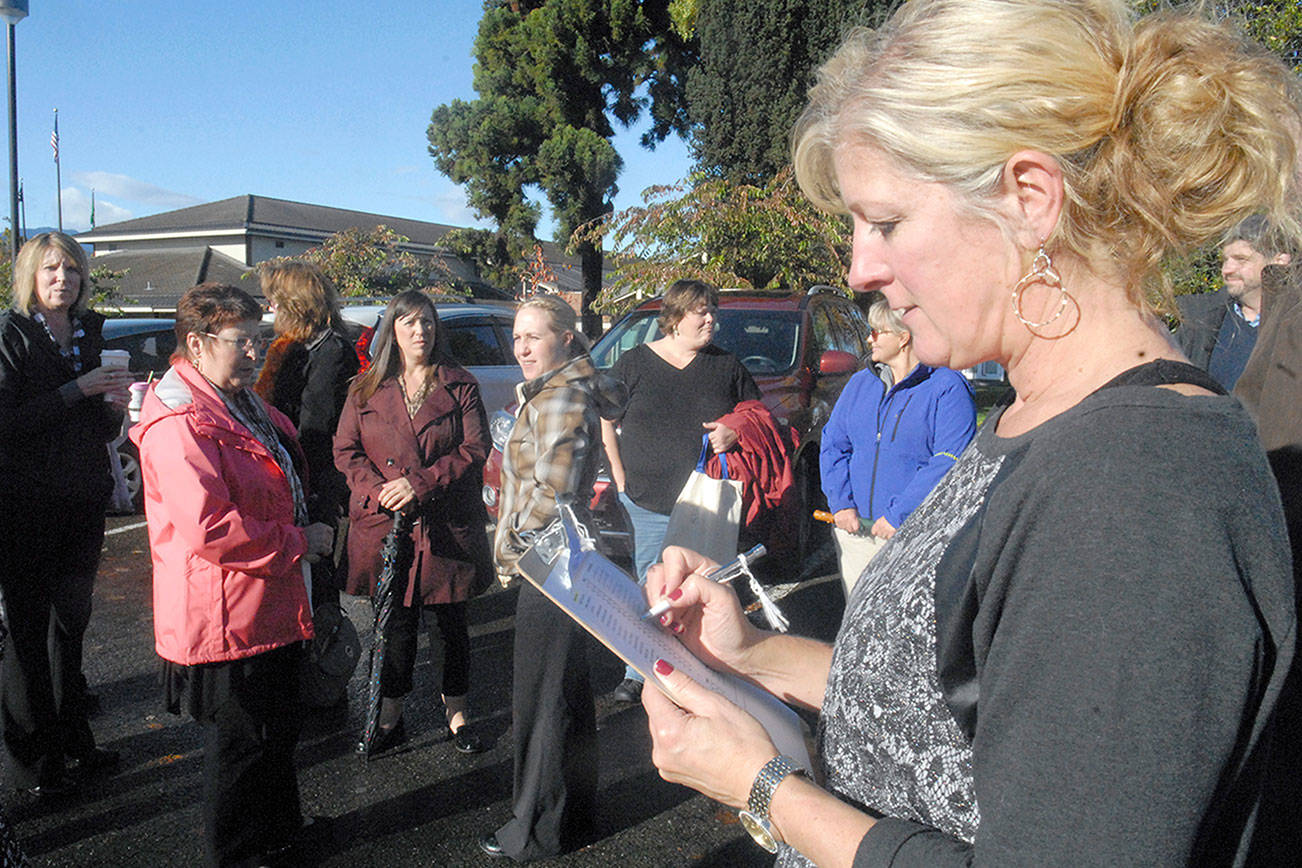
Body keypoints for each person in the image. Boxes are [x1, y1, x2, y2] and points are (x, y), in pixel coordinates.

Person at [638, 1, 1300, 864]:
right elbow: (948, 710)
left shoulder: (1135, 491)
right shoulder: (1031, 415)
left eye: (886, 221)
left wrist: (766, 790)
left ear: (1028, 199)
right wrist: (750, 652)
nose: (859, 268)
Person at [131, 283, 334, 866]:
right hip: (226, 613)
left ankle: (280, 834)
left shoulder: (237, 400)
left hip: (267, 598)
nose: (255, 351)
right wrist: (300, 541)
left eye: (258, 338)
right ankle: (240, 853)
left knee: (275, 734)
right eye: (241, 341)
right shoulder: (179, 419)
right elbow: (211, 526)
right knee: (241, 747)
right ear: (196, 344)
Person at [480, 294, 625, 862]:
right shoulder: (558, 388)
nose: (520, 348)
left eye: (532, 337)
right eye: (517, 338)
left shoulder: (562, 392)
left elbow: (556, 489)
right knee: (564, 693)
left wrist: (514, 544)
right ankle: (573, 815)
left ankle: (536, 830)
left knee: (542, 701)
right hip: (563, 563)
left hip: (548, 563)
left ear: (566, 338)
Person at [0, 232, 134, 798]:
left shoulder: (91, 332)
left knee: (70, 630)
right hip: (24, 506)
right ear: (31, 274)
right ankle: (35, 761)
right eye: (52, 269)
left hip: (81, 502)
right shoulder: (11, 335)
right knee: (28, 633)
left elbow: (100, 432)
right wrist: (77, 390)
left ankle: (75, 741)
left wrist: (112, 408)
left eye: (73, 270)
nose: (64, 279)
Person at [333, 290, 492, 755]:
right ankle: (390, 717)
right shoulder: (363, 388)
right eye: (409, 324)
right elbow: (346, 451)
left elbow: (474, 449)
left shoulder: (459, 383)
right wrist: (380, 489)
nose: (420, 331)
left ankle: (457, 714)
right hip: (387, 524)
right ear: (393, 333)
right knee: (395, 625)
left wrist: (419, 484)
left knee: (450, 626)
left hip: (444, 522)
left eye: (427, 322)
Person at [601, 279, 760, 703]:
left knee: (705, 587)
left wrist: (733, 429)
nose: (712, 320)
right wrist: (618, 473)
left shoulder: (727, 366)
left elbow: (756, 413)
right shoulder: (634, 362)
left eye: (713, 311)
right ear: (674, 318)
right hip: (645, 499)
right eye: (702, 312)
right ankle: (638, 671)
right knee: (650, 585)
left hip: (705, 503)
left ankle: (703, 666)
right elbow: (606, 416)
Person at [819, 299, 975, 597]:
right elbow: (834, 445)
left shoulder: (947, 388)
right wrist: (841, 503)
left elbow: (949, 461)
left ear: (904, 337)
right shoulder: (859, 385)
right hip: (858, 536)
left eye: (877, 332)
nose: (869, 339)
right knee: (860, 628)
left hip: (917, 539)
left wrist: (898, 515)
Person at [253, 260, 360, 605]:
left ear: (295, 303)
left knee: (316, 582)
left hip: (314, 479)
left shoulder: (331, 349)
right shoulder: (290, 345)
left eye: (276, 300)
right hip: (286, 474)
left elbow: (316, 425)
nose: (271, 307)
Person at [1174, 216, 1293, 390]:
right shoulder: (1200, 321)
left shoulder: (1293, 323)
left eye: (1241, 259)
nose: (1227, 270)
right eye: (1225, 260)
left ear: (1280, 260)